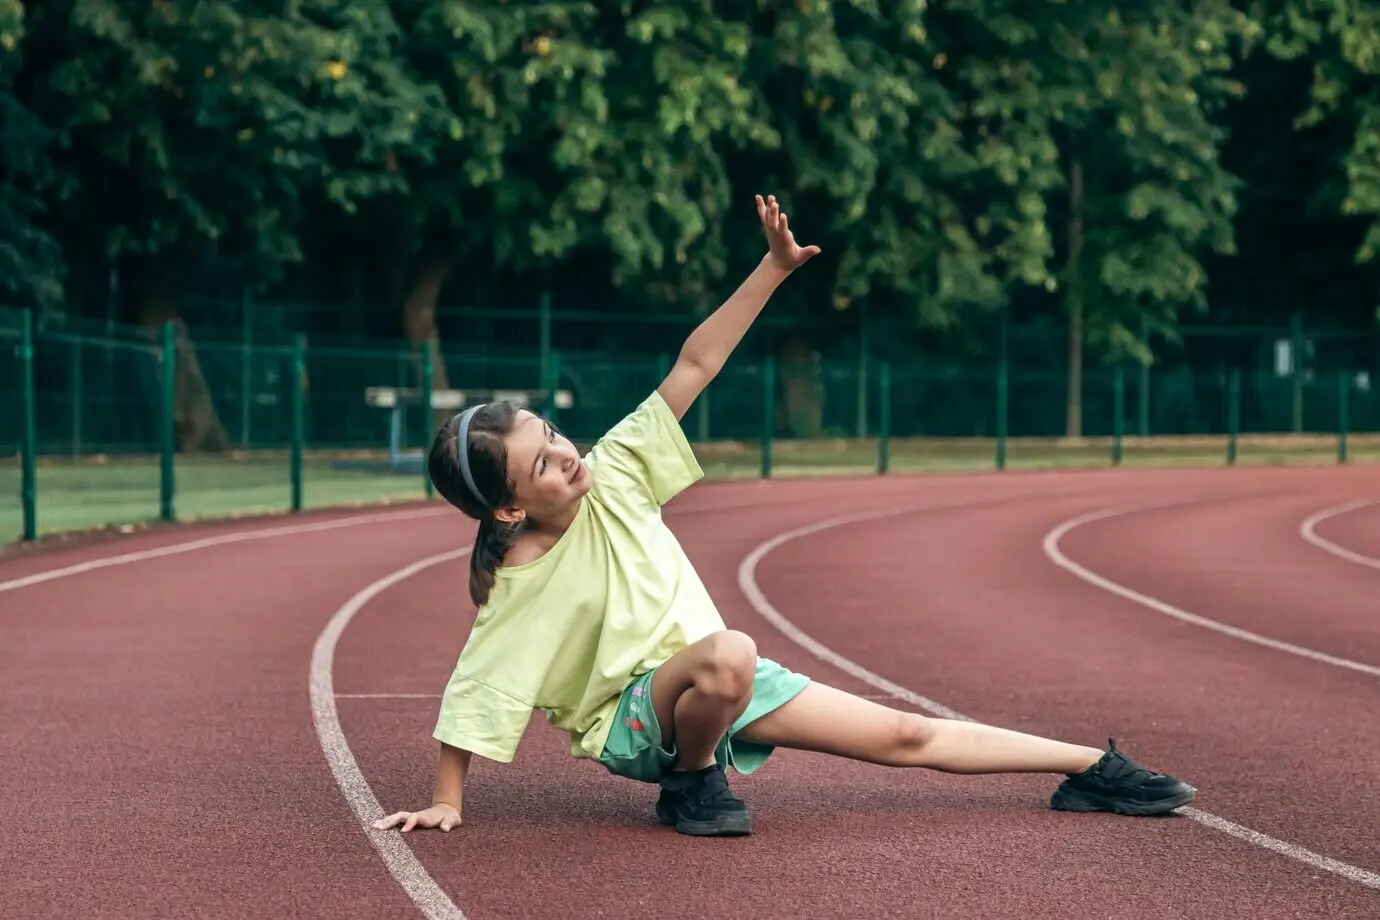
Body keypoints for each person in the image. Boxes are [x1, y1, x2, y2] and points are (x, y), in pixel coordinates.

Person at [372, 194, 1197, 838]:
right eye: (544, 463)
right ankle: (692, 784)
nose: (567, 454)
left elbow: (696, 361)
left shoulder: (616, 469)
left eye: (554, 435)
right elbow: (478, 688)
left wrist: (773, 267)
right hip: (637, 723)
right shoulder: (519, 580)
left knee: (906, 736)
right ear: (513, 503)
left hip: (721, 682)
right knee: (728, 651)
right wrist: (447, 800)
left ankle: (1092, 767)